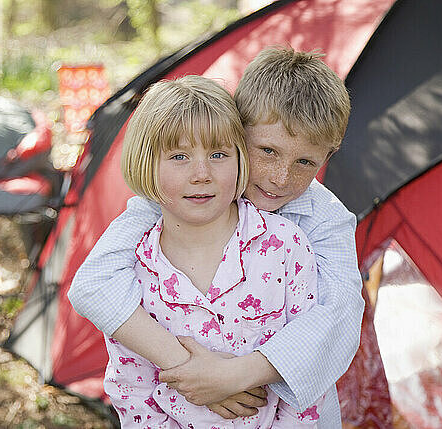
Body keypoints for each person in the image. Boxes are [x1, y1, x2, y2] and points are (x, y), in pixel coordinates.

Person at [69, 47, 364, 428]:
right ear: (238, 133)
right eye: (267, 151)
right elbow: (92, 284)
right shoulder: (178, 199)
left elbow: (338, 320)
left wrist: (233, 377)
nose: (280, 178)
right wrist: (186, 366)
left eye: (305, 162)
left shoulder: (324, 219)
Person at [104, 74, 324, 427]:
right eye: (179, 156)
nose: (202, 174)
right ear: (146, 163)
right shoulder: (132, 269)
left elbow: (308, 367)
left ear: (241, 159)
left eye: (218, 154)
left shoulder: (286, 246)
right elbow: (131, 387)